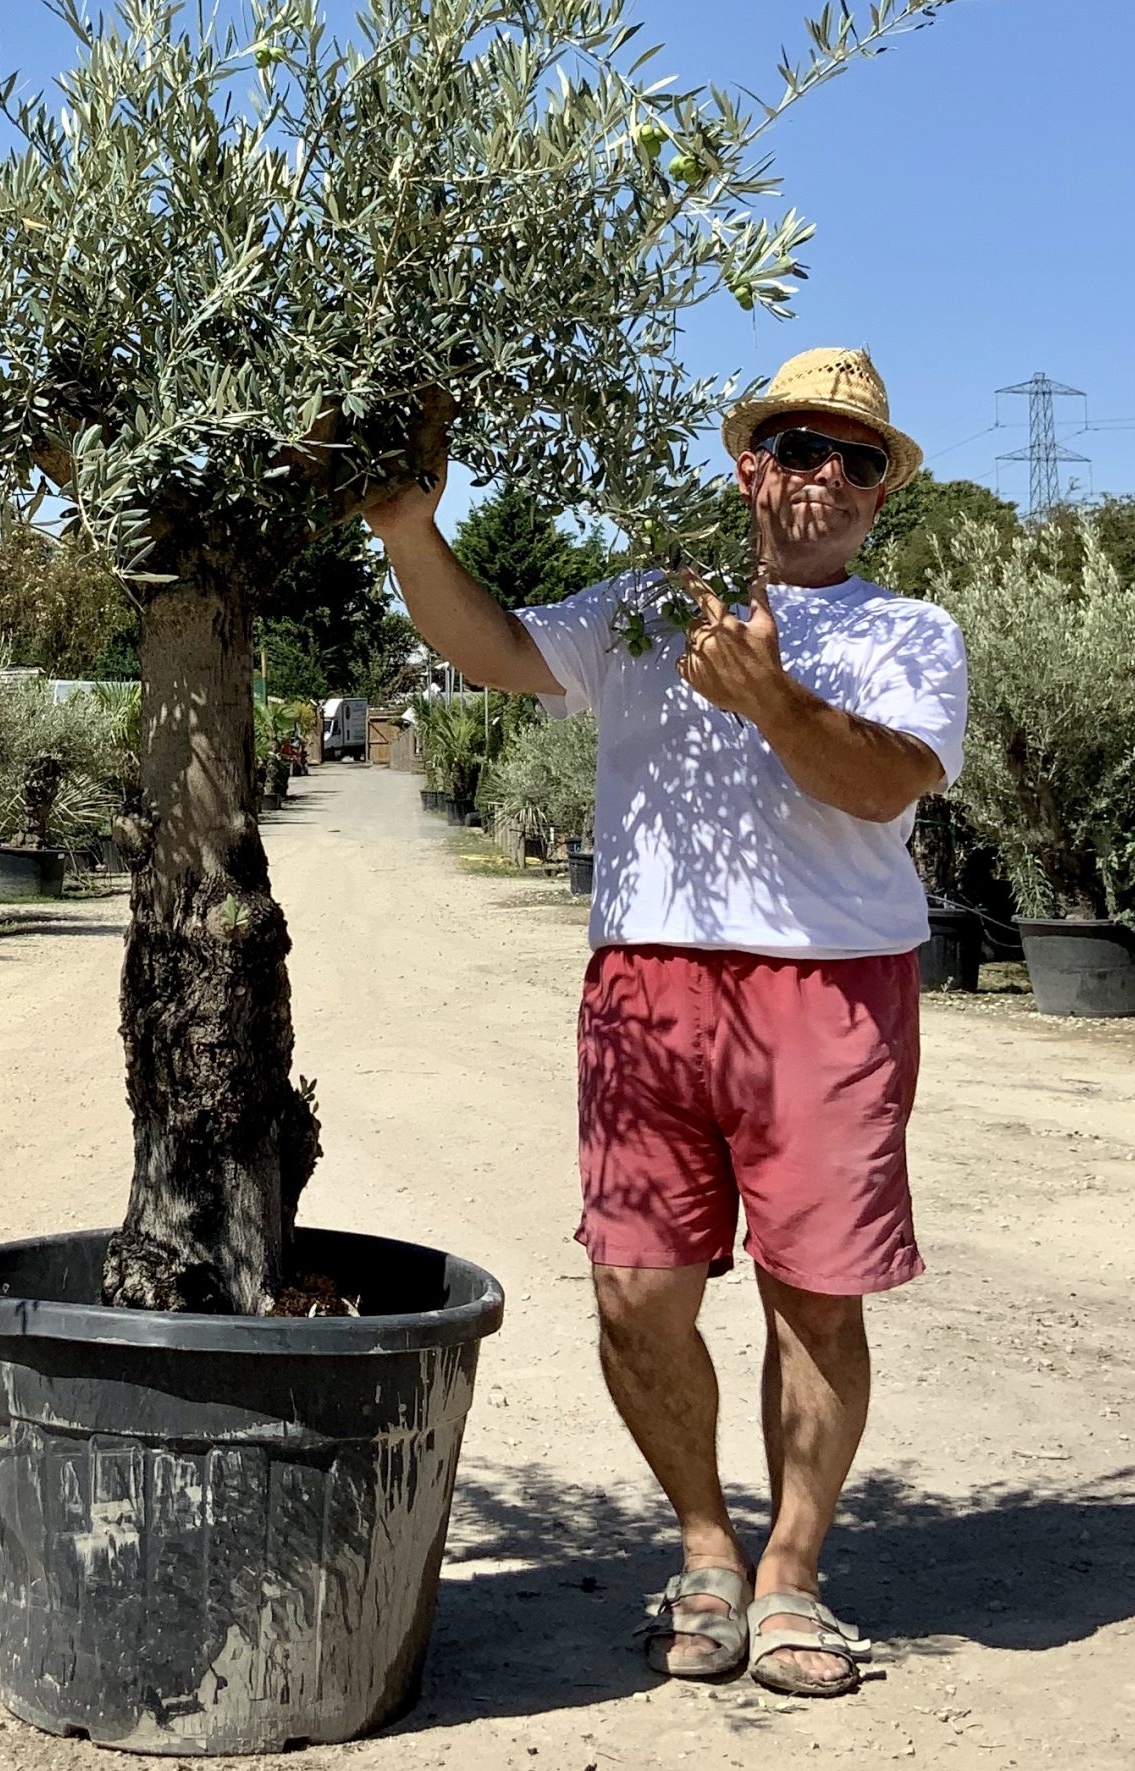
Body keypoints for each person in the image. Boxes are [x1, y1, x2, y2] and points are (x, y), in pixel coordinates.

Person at [364, 347, 965, 1700]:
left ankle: (793, 1576)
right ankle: (705, 1543)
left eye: (860, 459)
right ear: (751, 466)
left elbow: (881, 786)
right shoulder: (646, 607)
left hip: (829, 986)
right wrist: (411, 529)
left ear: (881, 494)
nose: (830, 476)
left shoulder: (906, 635)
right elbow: (499, 650)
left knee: (817, 1301)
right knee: (637, 1292)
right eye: (803, 448)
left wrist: (772, 697)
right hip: (648, 984)